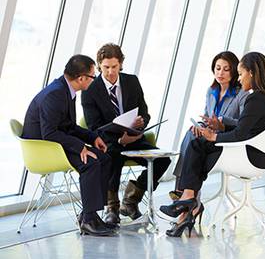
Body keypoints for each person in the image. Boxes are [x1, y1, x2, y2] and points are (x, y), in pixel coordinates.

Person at [159, 52, 265, 237]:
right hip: (258, 153)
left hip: (248, 155)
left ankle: (188, 198)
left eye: (240, 74)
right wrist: (221, 125)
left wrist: (214, 137)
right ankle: (188, 200)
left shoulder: (254, 99)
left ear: (251, 73)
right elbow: (249, 126)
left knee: (198, 145)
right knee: (197, 143)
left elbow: (241, 133)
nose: (240, 79)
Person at [22, 55, 115, 236]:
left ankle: (91, 215)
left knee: (104, 158)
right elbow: (48, 133)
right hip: (45, 149)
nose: (93, 80)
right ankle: (88, 220)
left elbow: (68, 126)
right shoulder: (56, 94)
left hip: (57, 143)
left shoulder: (66, 90)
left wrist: (92, 137)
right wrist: (80, 147)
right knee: (91, 162)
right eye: (92, 76)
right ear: (81, 78)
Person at [81, 43, 171, 225]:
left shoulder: (131, 81)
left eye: (114, 67)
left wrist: (140, 123)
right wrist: (120, 139)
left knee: (163, 160)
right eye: (106, 67)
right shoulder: (90, 90)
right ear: (99, 66)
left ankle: (130, 201)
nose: (110, 72)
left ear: (121, 64)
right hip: (108, 141)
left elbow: (145, 112)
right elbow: (94, 127)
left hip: (134, 138)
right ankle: (111, 208)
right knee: (114, 154)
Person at [170, 51, 249, 202]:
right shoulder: (211, 91)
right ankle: (188, 193)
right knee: (192, 132)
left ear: (234, 71)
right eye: (217, 68)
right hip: (209, 137)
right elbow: (206, 117)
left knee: (194, 140)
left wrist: (223, 121)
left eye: (226, 69)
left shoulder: (242, 94)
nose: (221, 73)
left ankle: (183, 190)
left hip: (227, 140)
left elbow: (245, 124)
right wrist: (200, 125)